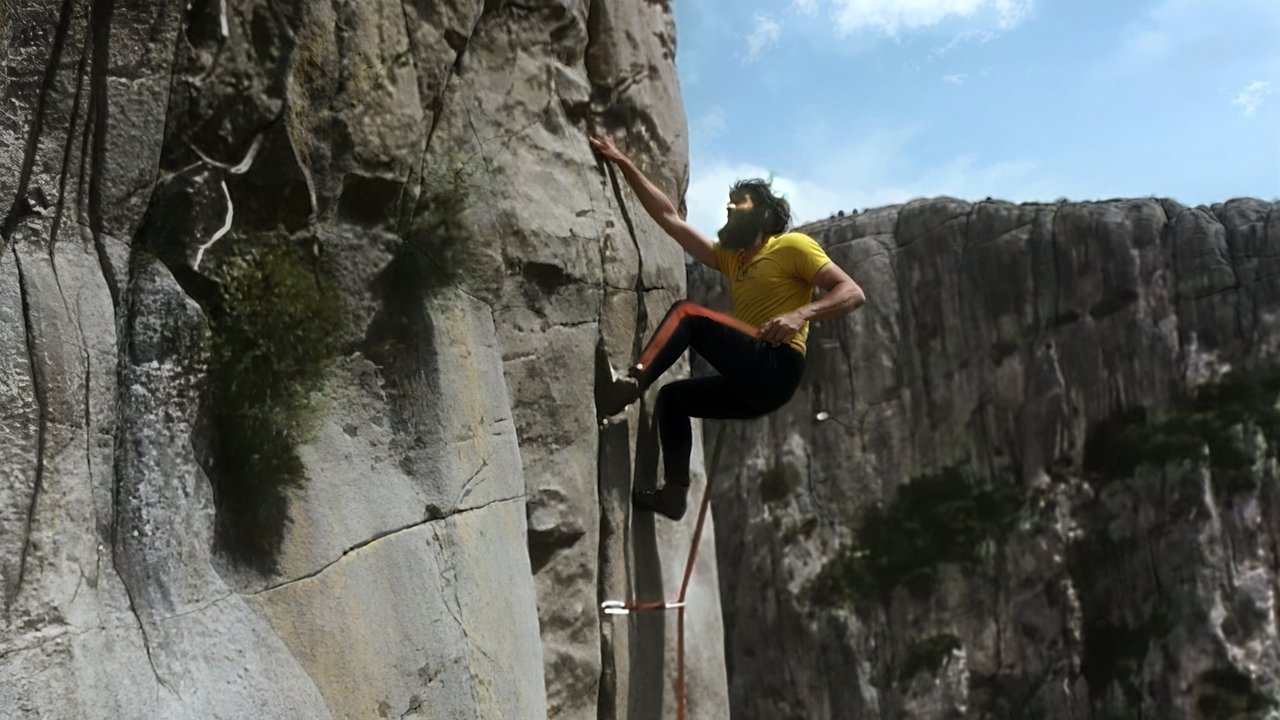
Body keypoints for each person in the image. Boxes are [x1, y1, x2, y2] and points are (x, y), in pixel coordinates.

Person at [589, 134, 865, 520]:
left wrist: (800, 315)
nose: (731, 214)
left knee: (688, 315)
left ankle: (633, 382)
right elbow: (670, 219)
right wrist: (622, 161)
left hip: (778, 363)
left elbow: (852, 292)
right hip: (755, 384)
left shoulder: (793, 247)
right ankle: (674, 495)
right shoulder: (732, 260)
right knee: (673, 400)